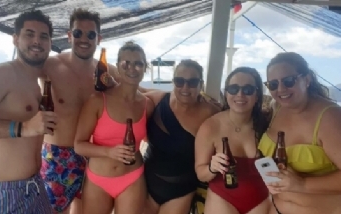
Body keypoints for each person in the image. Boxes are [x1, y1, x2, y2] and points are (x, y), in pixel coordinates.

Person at [40, 8, 118, 214]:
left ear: (98, 38)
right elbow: (17, 71)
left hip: (93, 155)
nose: (84, 39)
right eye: (78, 33)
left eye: (91, 34)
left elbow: (137, 92)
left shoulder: (107, 72)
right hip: (57, 155)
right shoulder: (50, 65)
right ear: (69, 36)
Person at [0, 10, 55, 213]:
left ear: (50, 43)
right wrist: (23, 127)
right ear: (15, 39)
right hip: (2, 193)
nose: (37, 41)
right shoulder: (5, 73)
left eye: (43, 36)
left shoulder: (35, 81)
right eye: (29, 34)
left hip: (34, 186)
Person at [74, 41, 154, 214]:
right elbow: (79, 145)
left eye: (138, 63)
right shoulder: (97, 100)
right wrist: (109, 152)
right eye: (126, 63)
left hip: (132, 178)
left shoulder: (147, 105)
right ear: (117, 67)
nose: (132, 68)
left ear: (145, 67)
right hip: (98, 180)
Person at [258, 52, 341, 214]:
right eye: (273, 85)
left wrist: (302, 183)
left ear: (307, 79)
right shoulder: (277, 108)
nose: (281, 89)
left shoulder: (331, 117)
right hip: (275, 207)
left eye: (289, 81)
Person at [143, 59, 220, 214]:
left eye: (192, 82)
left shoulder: (211, 114)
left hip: (181, 191)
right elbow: (129, 92)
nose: (185, 87)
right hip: (146, 184)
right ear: (173, 82)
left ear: (201, 84)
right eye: (179, 81)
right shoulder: (158, 100)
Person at [194, 67, 270, 214]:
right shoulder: (211, 126)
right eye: (233, 89)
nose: (240, 94)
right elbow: (200, 173)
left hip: (262, 200)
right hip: (222, 198)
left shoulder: (268, 123)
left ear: (257, 95)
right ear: (226, 93)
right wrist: (211, 167)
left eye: (248, 90)